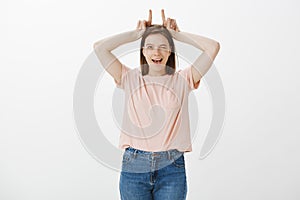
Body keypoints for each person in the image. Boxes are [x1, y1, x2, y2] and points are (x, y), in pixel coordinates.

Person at [93, 9, 220, 200]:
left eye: (163, 46)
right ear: (143, 51)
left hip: (171, 166)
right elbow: (99, 48)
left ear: (170, 51)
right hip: (134, 165)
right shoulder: (128, 77)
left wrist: (178, 35)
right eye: (150, 46)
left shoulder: (184, 79)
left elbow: (213, 47)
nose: (156, 52)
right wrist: (135, 35)